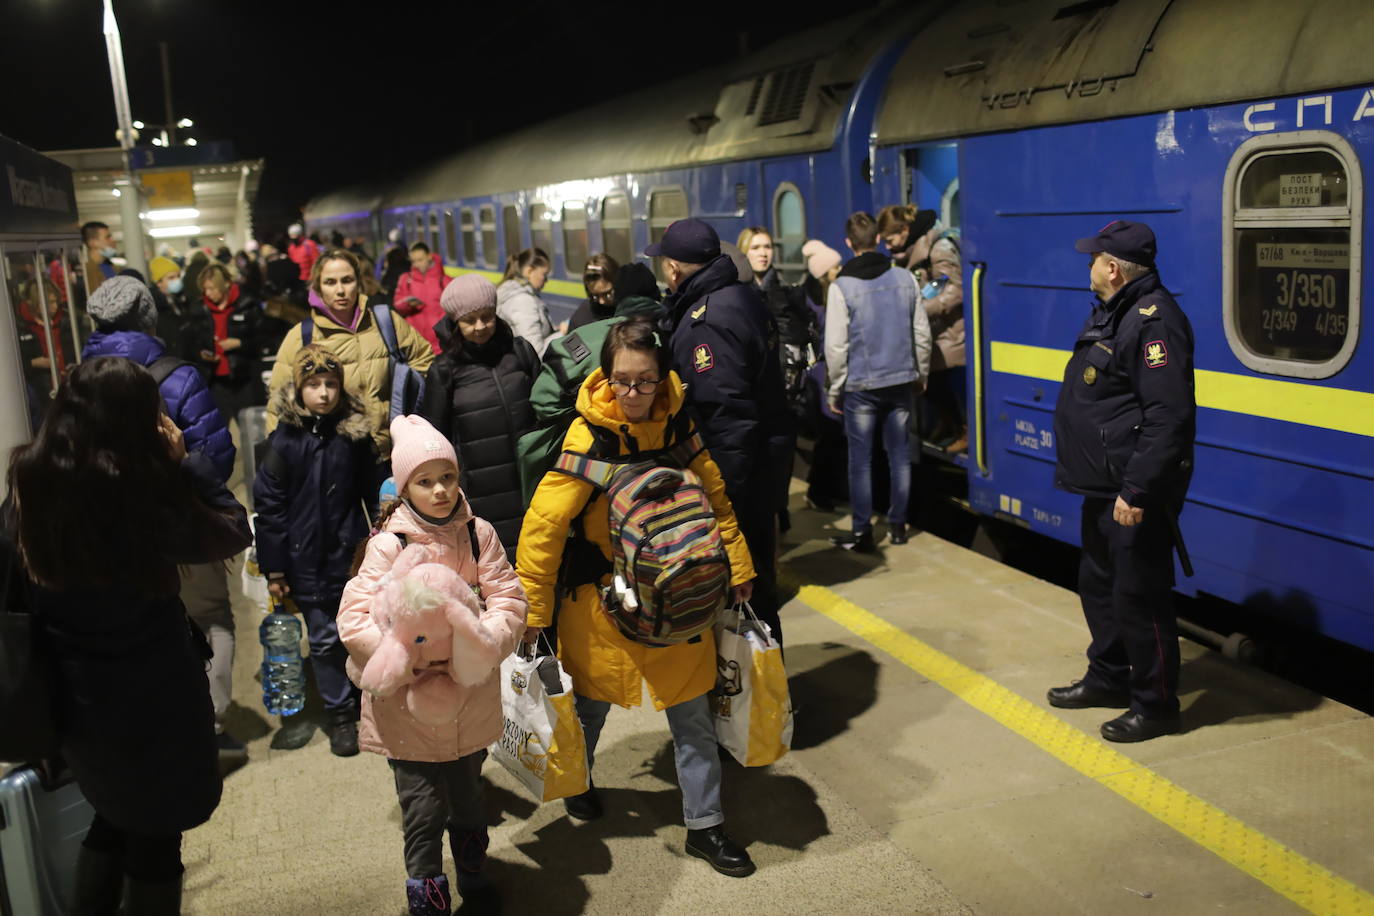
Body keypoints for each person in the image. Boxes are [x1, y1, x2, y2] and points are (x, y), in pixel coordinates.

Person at [5, 357, 252, 913]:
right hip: (153, 692)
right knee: (157, 837)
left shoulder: (29, 480)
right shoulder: (141, 490)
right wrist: (184, 465)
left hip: (74, 692)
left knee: (112, 814)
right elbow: (231, 530)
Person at [516, 317, 758, 877]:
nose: (632, 394)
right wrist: (535, 612)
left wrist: (739, 567)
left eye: (645, 381)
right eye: (621, 381)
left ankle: (706, 826)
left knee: (693, 720)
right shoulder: (589, 436)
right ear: (605, 377)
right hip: (606, 608)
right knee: (590, 710)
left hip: (681, 603)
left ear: (663, 377)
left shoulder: (678, 425)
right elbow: (543, 527)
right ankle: (579, 781)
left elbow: (717, 501)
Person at [339, 415, 527, 915]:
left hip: (469, 696)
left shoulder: (478, 533)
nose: (440, 490)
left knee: (469, 798)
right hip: (407, 707)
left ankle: (474, 877)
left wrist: (483, 644)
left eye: (447, 477)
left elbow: (508, 599)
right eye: (425, 481)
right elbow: (354, 619)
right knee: (421, 810)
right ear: (405, 488)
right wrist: (407, 660)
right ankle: (428, 897)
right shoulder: (389, 544)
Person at [81, 277, 246, 761]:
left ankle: (155, 730)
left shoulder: (79, 379)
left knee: (136, 624)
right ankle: (210, 728)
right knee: (209, 617)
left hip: (112, 531)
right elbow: (216, 458)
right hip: (181, 521)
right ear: (149, 318)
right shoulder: (177, 376)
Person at [1048, 220, 1196, 743]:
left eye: (1094, 258)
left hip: (1132, 487)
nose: (1088, 265)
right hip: (1102, 482)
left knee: (1140, 595)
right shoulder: (1115, 310)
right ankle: (1109, 676)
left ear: (1112, 269)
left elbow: (1167, 417)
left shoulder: (1155, 321)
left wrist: (1137, 489)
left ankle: (1156, 705)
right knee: (1099, 585)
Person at [653, 218, 790, 646]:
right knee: (759, 588)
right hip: (764, 465)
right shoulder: (742, 295)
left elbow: (726, 416)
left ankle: (754, 684)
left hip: (738, 480)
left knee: (742, 595)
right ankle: (766, 680)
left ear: (674, 268)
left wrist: (722, 498)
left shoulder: (707, 321)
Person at [254, 345, 378, 756]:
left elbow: (373, 492)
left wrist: (384, 537)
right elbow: (270, 508)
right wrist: (275, 569)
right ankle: (340, 714)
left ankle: (368, 700)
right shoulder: (284, 442)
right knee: (323, 640)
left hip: (351, 554)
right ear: (298, 388)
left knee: (360, 631)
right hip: (304, 557)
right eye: (313, 384)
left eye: (330, 384)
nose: (323, 393)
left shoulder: (354, 437)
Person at [266, 248, 435, 463]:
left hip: (393, 451)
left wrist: (405, 408)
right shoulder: (302, 336)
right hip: (335, 459)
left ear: (358, 282)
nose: (340, 290)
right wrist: (279, 458)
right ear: (317, 287)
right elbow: (278, 404)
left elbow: (424, 361)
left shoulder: (386, 322)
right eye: (330, 282)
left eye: (347, 280)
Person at [825, 212, 932, 552]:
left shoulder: (841, 287)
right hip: (900, 381)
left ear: (849, 243)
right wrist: (921, 374)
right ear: (877, 240)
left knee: (861, 461)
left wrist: (835, 389)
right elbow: (922, 334)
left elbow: (836, 347)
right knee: (899, 455)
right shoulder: (905, 278)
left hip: (861, 387)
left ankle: (862, 532)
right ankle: (898, 526)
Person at [421, 276, 539, 559]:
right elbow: (435, 439)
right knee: (498, 565)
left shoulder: (520, 352)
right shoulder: (444, 371)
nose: (480, 326)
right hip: (482, 493)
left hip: (533, 481)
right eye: (469, 320)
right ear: (455, 323)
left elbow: (545, 408)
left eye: (487, 317)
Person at [735, 226, 819, 534]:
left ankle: (779, 508)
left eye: (767, 247)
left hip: (785, 390)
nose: (763, 253)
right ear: (744, 252)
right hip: (751, 391)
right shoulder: (736, 292)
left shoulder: (786, 290)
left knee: (781, 455)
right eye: (756, 247)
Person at [879, 205, 967, 452]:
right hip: (934, 330)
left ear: (905, 230)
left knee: (939, 384)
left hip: (949, 331)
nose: (887, 246)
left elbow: (955, 290)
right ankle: (948, 426)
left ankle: (964, 430)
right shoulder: (916, 248)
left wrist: (920, 310)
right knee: (929, 383)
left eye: (890, 240)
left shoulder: (938, 248)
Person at [799, 239, 847, 511]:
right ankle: (818, 493)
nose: (839, 270)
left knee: (833, 436)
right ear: (823, 273)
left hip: (826, 373)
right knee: (830, 436)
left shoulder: (822, 298)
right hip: (822, 377)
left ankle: (828, 490)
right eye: (835, 267)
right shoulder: (817, 305)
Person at [194, 262, 264, 421]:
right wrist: (203, 355)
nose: (208, 293)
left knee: (249, 427)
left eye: (212, 288)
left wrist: (240, 344)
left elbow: (262, 340)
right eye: (205, 289)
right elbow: (193, 343)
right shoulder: (199, 310)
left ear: (225, 284)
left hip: (243, 379)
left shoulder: (247, 305)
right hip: (214, 380)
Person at [496, 247, 563, 357]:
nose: (546, 280)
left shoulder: (517, 293)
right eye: (544, 274)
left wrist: (555, 331)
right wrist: (562, 334)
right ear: (529, 271)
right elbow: (535, 352)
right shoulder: (522, 301)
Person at [392, 242, 452, 353]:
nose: (416, 264)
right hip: (415, 343)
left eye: (420, 260)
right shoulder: (406, 279)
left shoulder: (444, 280)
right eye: (413, 261)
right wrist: (407, 304)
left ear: (429, 256)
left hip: (441, 344)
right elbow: (397, 303)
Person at [566, 253, 619, 332]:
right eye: (595, 296)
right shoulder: (581, 318)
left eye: (607, 294)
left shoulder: (632, 310)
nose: (601, 301)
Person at [82, 221, 117, 294]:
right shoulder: (86, 272)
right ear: (93, 243)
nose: (112, 241)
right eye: (107, 237)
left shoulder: (112, 267)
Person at [287, 222, 321, 288]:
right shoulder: (291, 247)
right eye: (292, 238)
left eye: (296, 238)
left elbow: (316, 261)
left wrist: (312, 278)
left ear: (300, 235)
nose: (294, 240)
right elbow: (291, 262)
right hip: (297, 280)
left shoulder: (309, 245)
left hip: (309, 279)